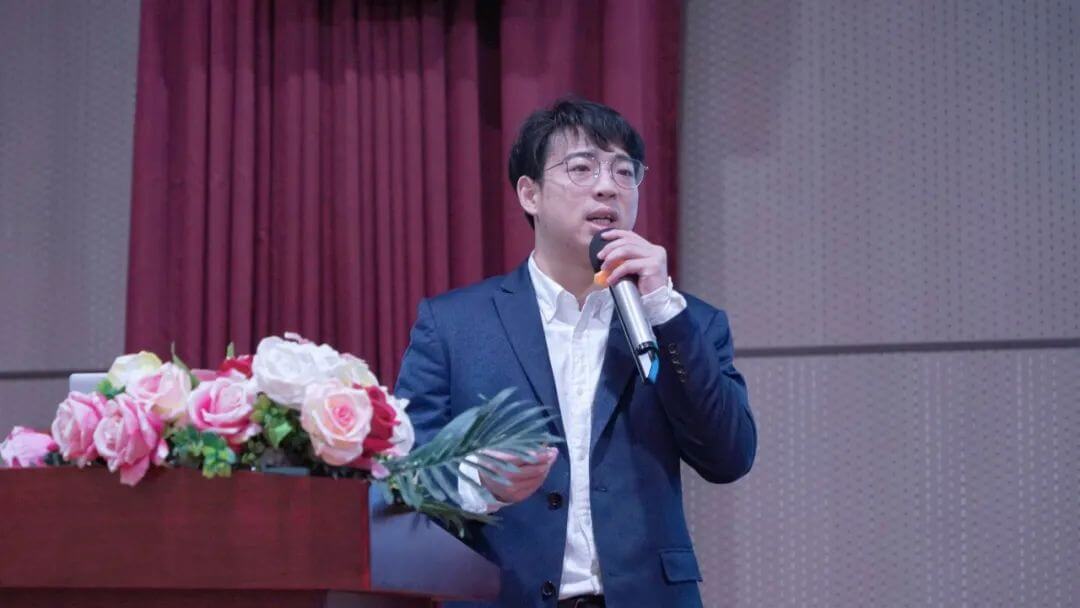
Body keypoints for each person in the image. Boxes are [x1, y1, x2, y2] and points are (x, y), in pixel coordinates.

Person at [394, 98, 756, 608]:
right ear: (530, 193)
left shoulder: (685, 322)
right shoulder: (454, 325)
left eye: (624, 171)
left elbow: (729, 456)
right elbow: (404, 478)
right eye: (582, 168)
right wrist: (479, 482)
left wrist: (662, 309)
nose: (607, 186)